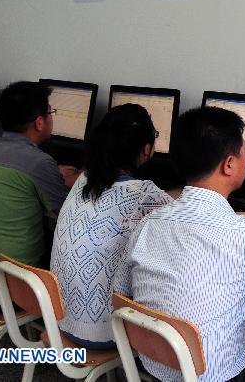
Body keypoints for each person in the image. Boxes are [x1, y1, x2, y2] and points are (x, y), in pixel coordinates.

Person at [112, 106, 245, 382]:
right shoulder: (244, 236)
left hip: (157, 367)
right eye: (244, 151)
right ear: (230, 164)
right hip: (223, 376)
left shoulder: (150, 223)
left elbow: (120, 295)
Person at [50, 104, 172, 349]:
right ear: (147, 149)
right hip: (105, 333)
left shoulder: (83, 179)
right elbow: (192, 215)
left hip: (61, 321)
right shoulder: (142, 193)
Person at [0, 81, 74, 311]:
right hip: (5, 293)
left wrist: (53, 175)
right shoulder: (40, 163)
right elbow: (66, 216)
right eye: (50, 112)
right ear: (39, 122)